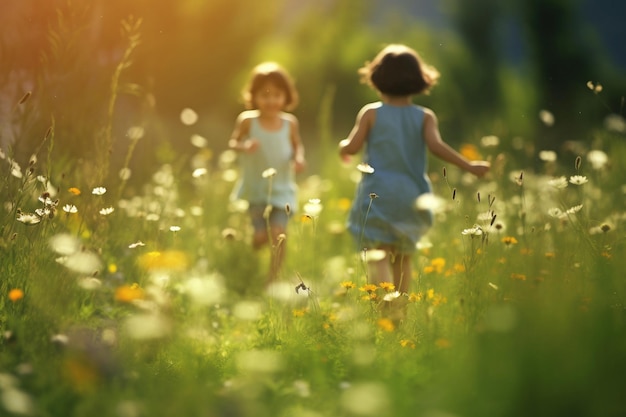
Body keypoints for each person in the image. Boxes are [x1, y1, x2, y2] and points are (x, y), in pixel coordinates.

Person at [339, 44, 490, 297]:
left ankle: (386, 306)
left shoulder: (371, 113)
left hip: (377, 193)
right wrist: (469, 165)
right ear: (419, 80)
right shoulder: (425, 117)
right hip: (412, 194)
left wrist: (342, 147)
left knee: (378, 253)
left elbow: (352, 147)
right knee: (403, 257)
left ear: (377, 78)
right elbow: (437, 147)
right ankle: (399, 310)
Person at [229, 62, 306, 284]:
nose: (271, 101)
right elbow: (233, 142)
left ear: (286, 97)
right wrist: (244, 146)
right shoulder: (247, 121)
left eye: (277, 95)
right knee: (261, 237)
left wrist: (298, 158)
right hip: (256, 190)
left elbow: (297, 145)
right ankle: (250, 255)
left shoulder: (289, 123)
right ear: (254, 96)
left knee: (280, 234)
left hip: (282, 190)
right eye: (265, 95)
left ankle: (273, 279)